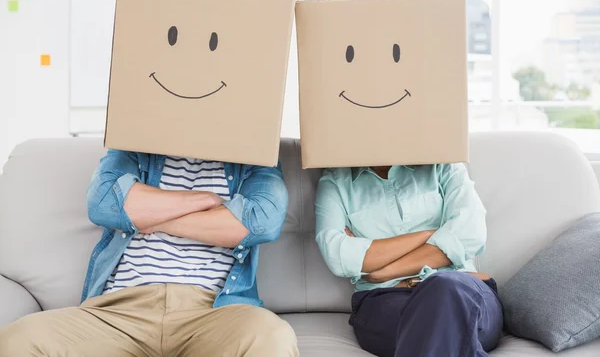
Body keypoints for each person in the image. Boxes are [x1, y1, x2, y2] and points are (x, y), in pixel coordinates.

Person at [0, 151, 298, 357]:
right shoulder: (133, 145)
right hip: (119, 311)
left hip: (213, 311)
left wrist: (149, 215)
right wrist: (204, 201)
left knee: (272, 338)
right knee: (20, 339)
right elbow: (103, 203)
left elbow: (262, 221)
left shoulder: (256, 157)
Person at [315, 164, 503, 357]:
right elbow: (338, 256)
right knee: (436, 323)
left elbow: (470, 233)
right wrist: (432, 235)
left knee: (444, 288)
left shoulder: (446, 165)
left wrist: (385, 272)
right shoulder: (336, 180)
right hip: (386, 299)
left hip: (461, 287)